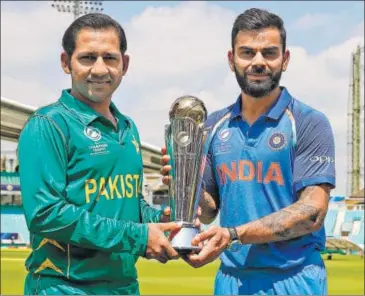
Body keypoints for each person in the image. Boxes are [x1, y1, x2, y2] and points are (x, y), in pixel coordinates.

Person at [161, 8, 336, 295]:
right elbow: (208, 211)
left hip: (294, 278)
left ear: (285, 59)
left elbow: (312, 212)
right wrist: (184, 185)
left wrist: (233, 235)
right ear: (232, 60)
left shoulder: (308, 121)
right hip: (232, 280)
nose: (258, 62)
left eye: (269, 52)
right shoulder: (213, 125)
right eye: (247, 52)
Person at [18, 13, 181, 295]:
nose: (99, 68)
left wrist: (164, 220)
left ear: (124, 64)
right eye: (87, 57)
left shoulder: (128, 128)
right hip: (65, 287)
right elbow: (45, 214)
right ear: (65, 62)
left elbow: (129, 203)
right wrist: (139, 237)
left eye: (110, 57)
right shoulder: (48, 125)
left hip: (124, 286)